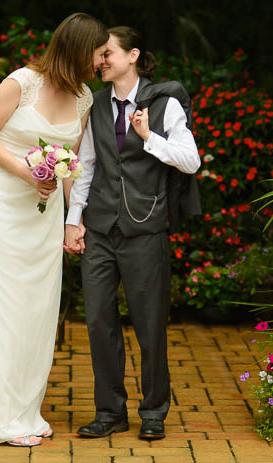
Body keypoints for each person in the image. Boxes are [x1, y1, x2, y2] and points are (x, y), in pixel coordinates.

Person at [0, 13, 109, 447]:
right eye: (98, 53)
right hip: (2, 202)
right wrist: (24, 170)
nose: (102, 62)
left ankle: (23, 409)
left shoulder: (84, 98)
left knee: (37, 308)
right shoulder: (22, 81)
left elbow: (72, 165)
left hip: (44, 210)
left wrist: (74, 219)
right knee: (4, 303)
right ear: (77, 50)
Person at [65, 26, 200, 440]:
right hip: (101, 230)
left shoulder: (165, 103)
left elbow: (191, 161)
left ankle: (154, 411)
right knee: (99, 323)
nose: (100, 61)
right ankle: (109, 412)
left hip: (146, 230)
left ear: (132, 55)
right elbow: (86, 165)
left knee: (149, 324)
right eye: (99, 55)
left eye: (107, 53)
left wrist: (148, 138)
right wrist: (74, 220)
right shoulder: (97, 104)